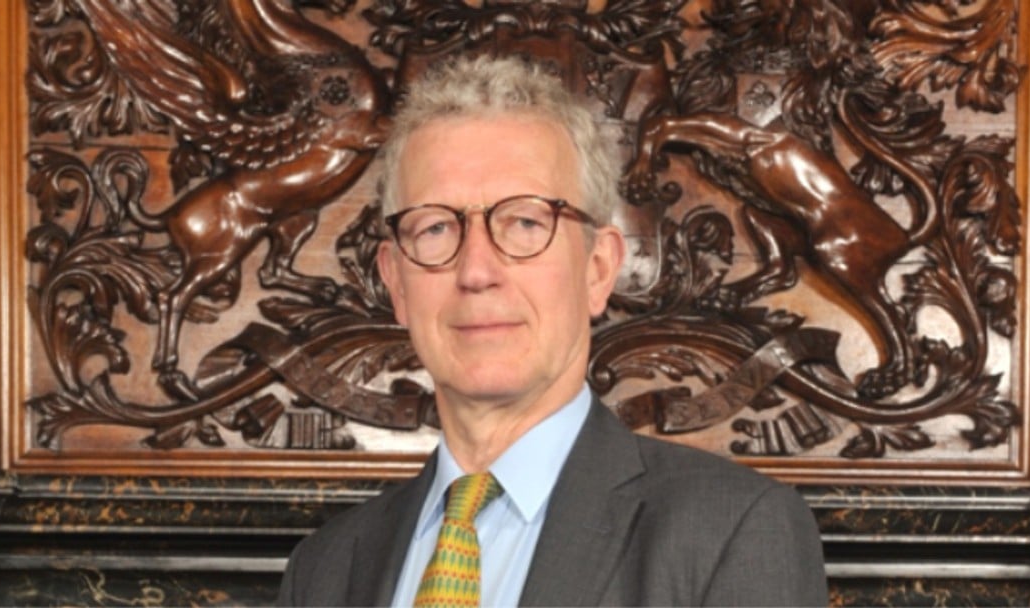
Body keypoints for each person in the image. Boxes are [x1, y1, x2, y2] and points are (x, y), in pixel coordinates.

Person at [277, 54, 828, 607]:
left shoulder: (733, 532)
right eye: (436, 227)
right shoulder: (323, 570)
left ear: (598, 269)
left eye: (524, 222)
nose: (476, 272)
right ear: (396, 282)